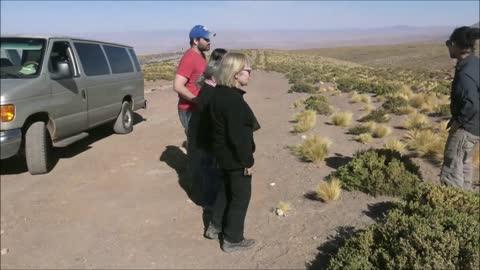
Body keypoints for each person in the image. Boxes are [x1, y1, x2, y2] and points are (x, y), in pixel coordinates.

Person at [205, 52, 260, 252]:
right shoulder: (233, 101)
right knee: (240, 197)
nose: (250, 74)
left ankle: (215, 227)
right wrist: (248, 162)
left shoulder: (219, 93)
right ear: (236, 74)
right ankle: (232, 239)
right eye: (248, 70)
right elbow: (239, 138)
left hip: (222, 155)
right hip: (235, 158)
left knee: (226, 191)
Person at [187, 48, 228, 212]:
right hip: (207, 139)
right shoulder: (210, 90)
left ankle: (209, 199)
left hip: (205, 137)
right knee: (209, 168)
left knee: (208, 167)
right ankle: (210, 203)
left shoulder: (209, 87)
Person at [440, 26, 480, 190]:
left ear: (456, 45)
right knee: (464, 161)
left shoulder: (465, 73)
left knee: (452, 165)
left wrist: (460, 121)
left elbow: (471, 104)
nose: (448, 46)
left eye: (449, 43)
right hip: (475, 126)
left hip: (467, 127)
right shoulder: (475, 63)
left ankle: (452, 204)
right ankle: (465, 199)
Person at [173, 25, 215, 145]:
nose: (209, 42)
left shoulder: (201, 55)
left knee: (202, 142)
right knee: (196, 144)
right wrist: (196, 100)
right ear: (196, 41)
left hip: (199, 107)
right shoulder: (189, 58)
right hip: (189, 110)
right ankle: (193, 163)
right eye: (206, 39)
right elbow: (177, 86)